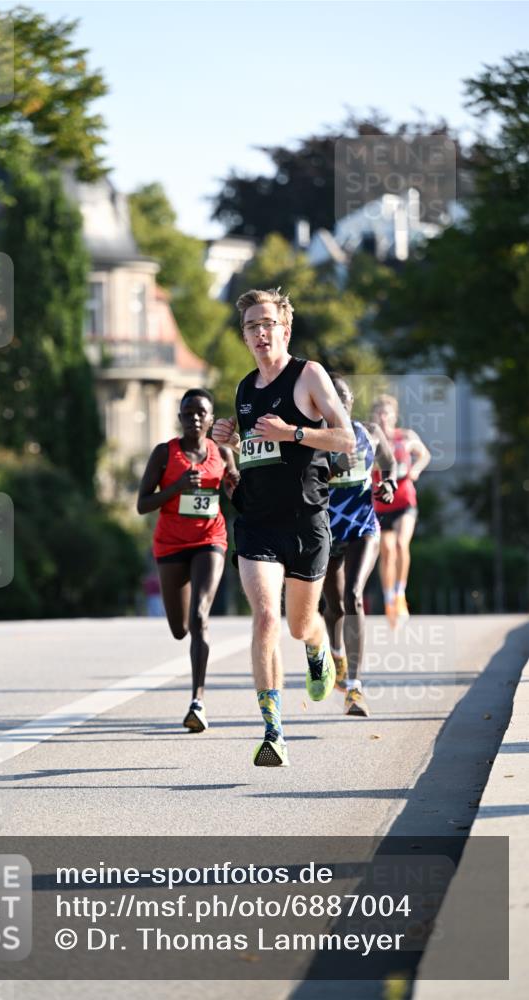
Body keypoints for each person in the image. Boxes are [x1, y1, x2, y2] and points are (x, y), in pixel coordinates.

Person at [212, 288, 355, 767]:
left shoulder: (308, 375)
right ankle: (273, 730)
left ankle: (318, 647)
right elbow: (253, 458)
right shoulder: (245, 387)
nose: (258, 333)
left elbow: (346, 437)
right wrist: (228, 440)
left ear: (284, 329)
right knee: (266, 618)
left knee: (299, 625)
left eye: (266, 323)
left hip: (307, 521)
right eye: (250, 326)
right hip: (256, 522)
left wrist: (293, 433)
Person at [137, 388, 239, 732]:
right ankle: (196, 693)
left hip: (210, 539)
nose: (194, 418)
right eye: (188, 413)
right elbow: (142, 504)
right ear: (180, 418)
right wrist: (177, 486)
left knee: (200, 617)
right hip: (170, 545)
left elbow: (233, 489)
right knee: (180, 629)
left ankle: (197, 701)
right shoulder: (164, 454)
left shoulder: (222, 452)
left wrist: (234, 484)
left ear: (210, 419)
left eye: (201, 412)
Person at [323, 375, 397, 718]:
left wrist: (390, 485)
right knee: (333, 607)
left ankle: (354, 687)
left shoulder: (369, 432)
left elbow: (389, 463)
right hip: (325, 532)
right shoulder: (314, 440)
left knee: (353, 595)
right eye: (330, 398)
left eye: (343, 396)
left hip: (363, 528)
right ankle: (336, 656)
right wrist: (330, 469)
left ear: (351, 400)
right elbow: (298, 485)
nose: (338, 403)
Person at [371, 394, 431, 624]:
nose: (383, 418)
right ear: (374, 417)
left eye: (387, 414)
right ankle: (388, 599)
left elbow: (424, 454)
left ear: (394, 416)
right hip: (381, 504)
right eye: (379, 414)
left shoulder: (405, 437)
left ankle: (399, 593)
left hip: (405, 501)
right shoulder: (373, 441)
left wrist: (415, 469)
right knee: (386, 552)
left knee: (400, 544)